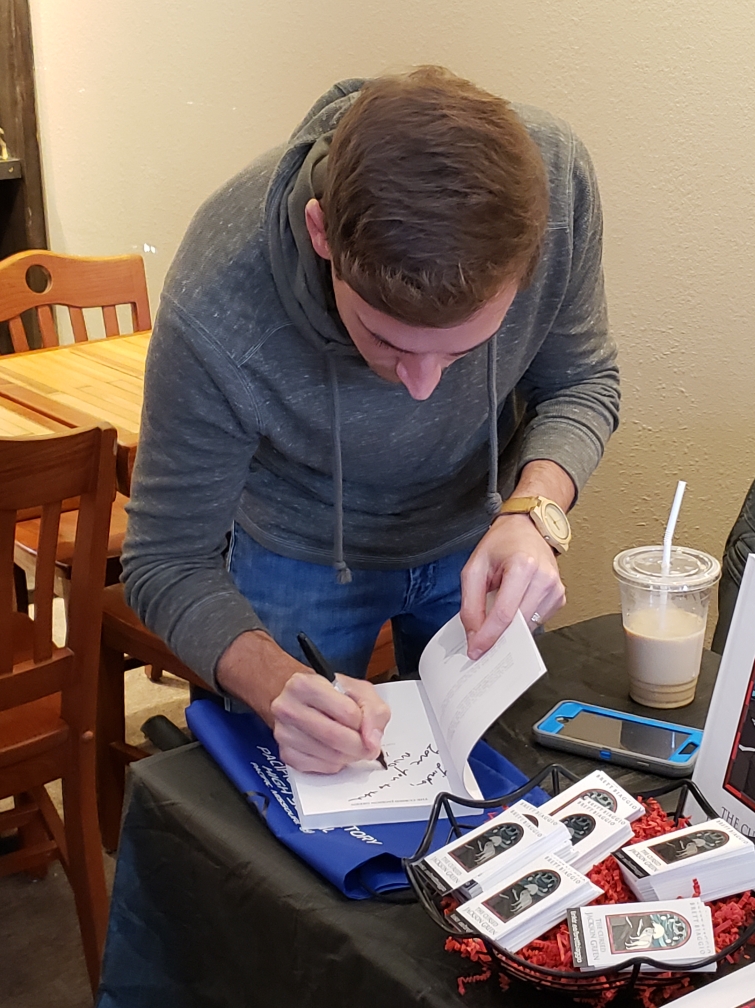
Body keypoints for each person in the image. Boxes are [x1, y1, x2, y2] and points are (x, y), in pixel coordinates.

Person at [121, 66, 619, 776]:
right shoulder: (220, 300)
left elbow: (581, 382)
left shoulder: (557, 189)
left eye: (465, 351)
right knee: (294, 792)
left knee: (493, 784)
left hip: (478, 532)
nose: (422, 387)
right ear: (322, 232)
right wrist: (274, 684)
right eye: (387, 342)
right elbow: (166, 559)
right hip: (299, 551)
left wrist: (534, 512)